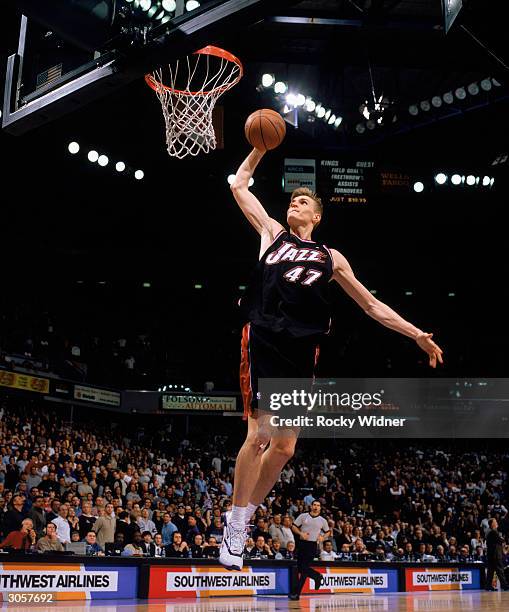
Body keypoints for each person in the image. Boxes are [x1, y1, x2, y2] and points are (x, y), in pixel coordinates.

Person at [219, 146, 444, 571]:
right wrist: (259, 148)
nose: (293, 204)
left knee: (284, 448)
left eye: (302, 202)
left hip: (303, 350)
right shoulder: (271, 233)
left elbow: (372, 306)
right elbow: (238, 185)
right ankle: (235, 523)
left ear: (316, 216)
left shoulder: (331, 257)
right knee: (260, 436)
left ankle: (245, 516)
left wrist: (417, 334)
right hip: (265, 336)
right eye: (291, 200)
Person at [289, 500, 330, 600]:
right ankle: (317, 576)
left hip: (312, 545)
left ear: (320, 508)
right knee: (300, 568)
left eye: (318, 505)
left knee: (304, 569)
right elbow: (294, 526)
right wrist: (301, 533)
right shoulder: (303, 516)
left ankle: (297, 594)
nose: (316, 507)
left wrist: (323, 538)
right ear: (311, 506)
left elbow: (328, 532)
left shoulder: (322, 520)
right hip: (302, 544)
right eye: (314, 505)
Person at [485, 518, 509, 591]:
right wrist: (502, 539)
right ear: (492, 524)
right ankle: (505, 586)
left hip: (491, 555)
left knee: (490, 572)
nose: (497, 522)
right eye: (495, 522)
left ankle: (488, 586)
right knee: (500, 570)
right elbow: (501, 540)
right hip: (495, 555)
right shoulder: (493, 532)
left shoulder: (490, 532)